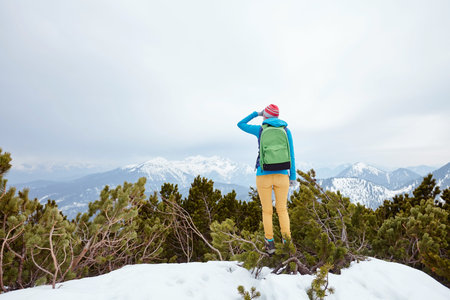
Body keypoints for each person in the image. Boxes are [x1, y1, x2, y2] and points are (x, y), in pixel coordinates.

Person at [237, 104, 296, 254]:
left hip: (263, 174)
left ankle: (270, 243)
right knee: (282, 210)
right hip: (282, 174)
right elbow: (292, 155)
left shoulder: (260, 130)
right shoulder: (286, 130)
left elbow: (240, 124)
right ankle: (287, 241)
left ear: (266, 116)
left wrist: (257, 113)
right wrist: (293, 176)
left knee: (267, 210)